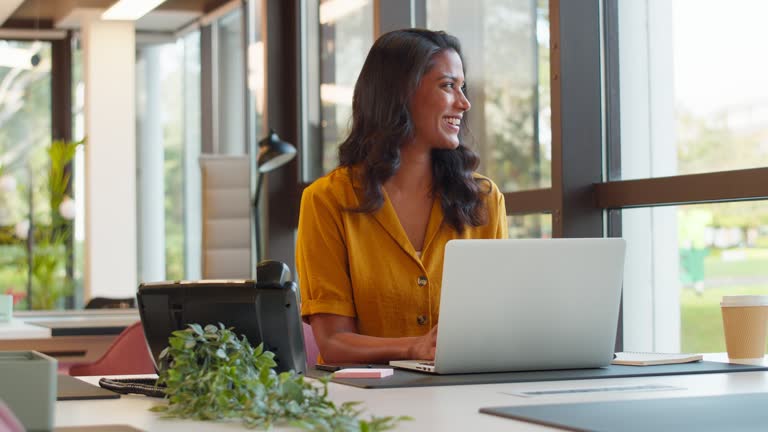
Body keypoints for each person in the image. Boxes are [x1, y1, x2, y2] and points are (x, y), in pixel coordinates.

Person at [296, 29, 508, 364]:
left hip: (463, 392)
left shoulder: (485, 199)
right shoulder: (327, 200)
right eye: (448, 85)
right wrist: (413, 348)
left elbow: (501, 322)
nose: (464, 103)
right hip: (363, 404)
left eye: (462, 87)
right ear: (400, 93)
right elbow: (334, 342)